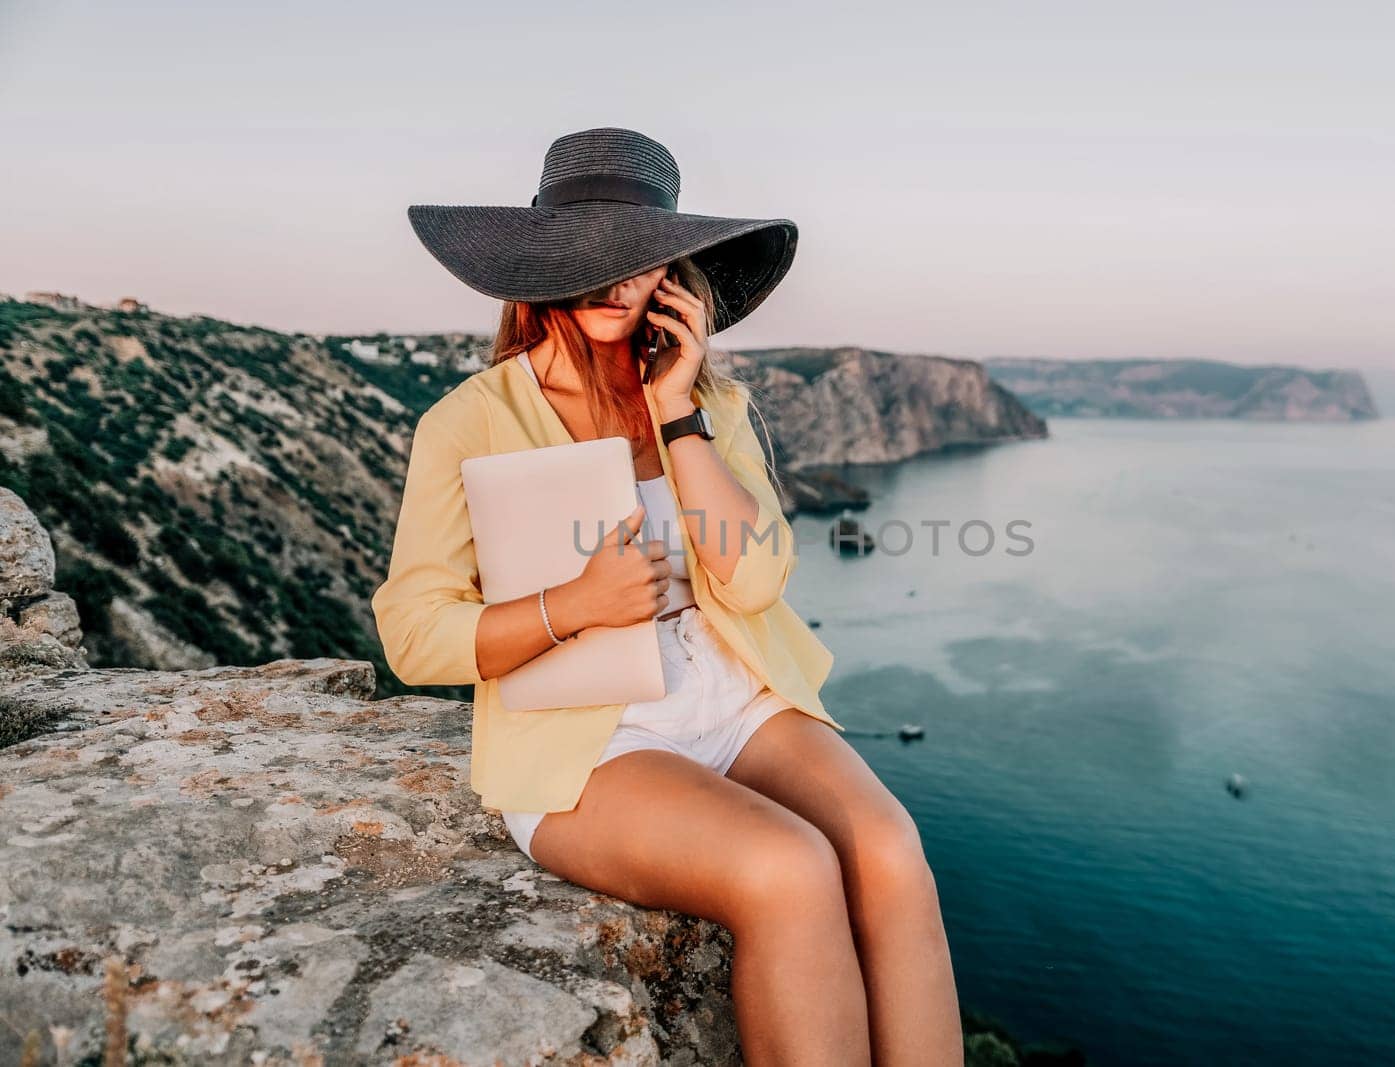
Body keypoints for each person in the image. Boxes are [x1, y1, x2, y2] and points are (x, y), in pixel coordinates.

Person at [372, 128, 962, 1066]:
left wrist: (678, 412)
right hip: (589, 736)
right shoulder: (469, 420)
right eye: (589, 260)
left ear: (671, 275)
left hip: (733, 693)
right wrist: (575, 603)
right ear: (541, 270)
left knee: (890, 849)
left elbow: (758, 577)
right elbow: (412, 632)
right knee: (789, 868)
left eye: (639, 261)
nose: (617, 283)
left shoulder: (711, 406)